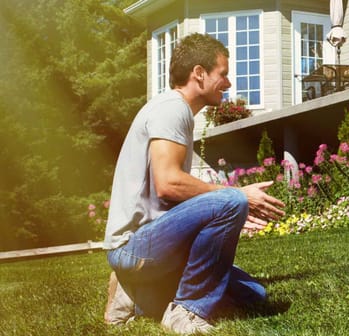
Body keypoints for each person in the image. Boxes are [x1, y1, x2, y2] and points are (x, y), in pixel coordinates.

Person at [102, 33, 285, 334]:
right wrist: (237, 199)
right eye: (223, 75)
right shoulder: (171, 108)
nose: (228, 84)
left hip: (155, 244)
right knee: (232, 200)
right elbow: (169, 183)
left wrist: (226, 211)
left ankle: (134, 293)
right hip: (133, 247)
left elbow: (172, 196)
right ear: (199, 74)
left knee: (255, 295)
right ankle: (185, 311)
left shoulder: (177, 111)